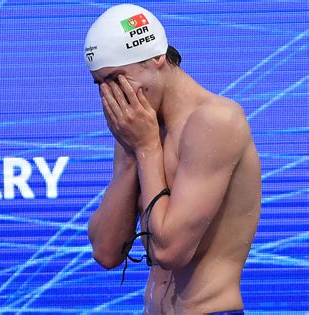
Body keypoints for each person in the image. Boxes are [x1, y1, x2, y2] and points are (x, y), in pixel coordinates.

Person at [84, 4, 261, 315]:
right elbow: (106, 252)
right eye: (101, 85)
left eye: (117, 79)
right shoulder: (139, 129)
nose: (112, 97)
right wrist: (130, 155)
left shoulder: (215, 120)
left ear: (156, 58)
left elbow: (170, 250)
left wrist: (147, 149)